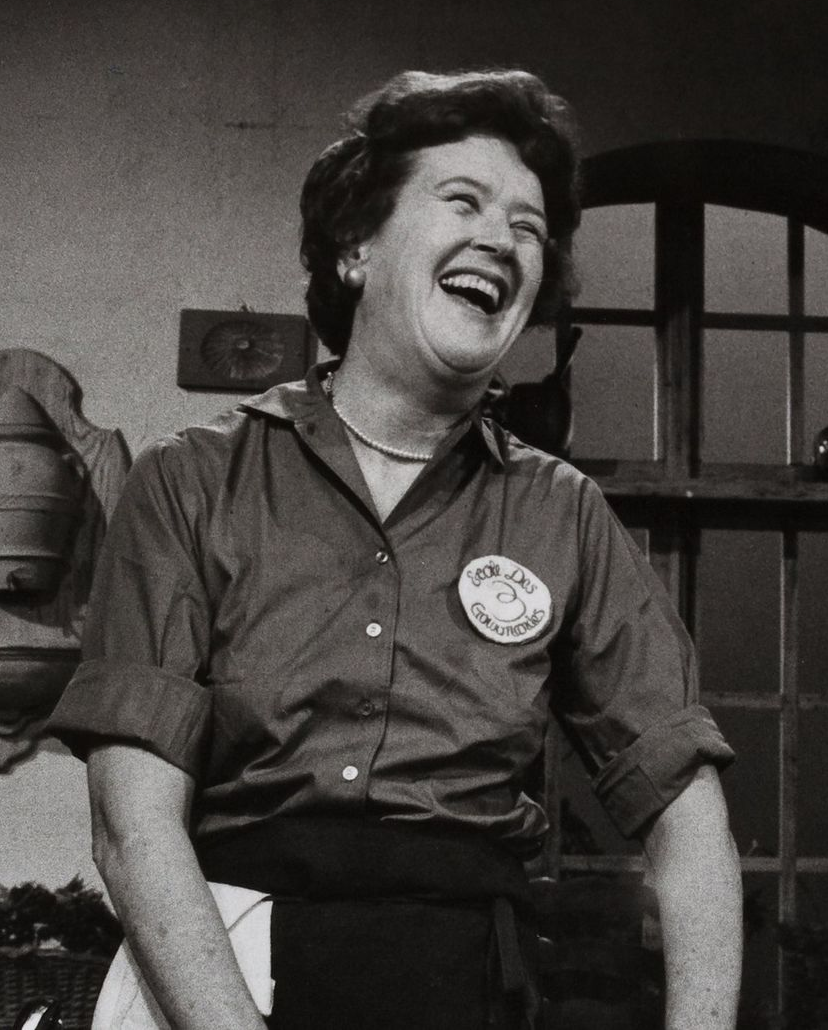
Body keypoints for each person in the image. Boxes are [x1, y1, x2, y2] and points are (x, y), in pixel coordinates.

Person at [47, 69, 742, 1029]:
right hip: (222, 971)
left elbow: (685, 807)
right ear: (356, 247)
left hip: (464, 980)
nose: (503, 239)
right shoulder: (190, 482)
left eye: (529, 227)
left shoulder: (564, 514)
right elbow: (131, 826)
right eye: (463, 201)